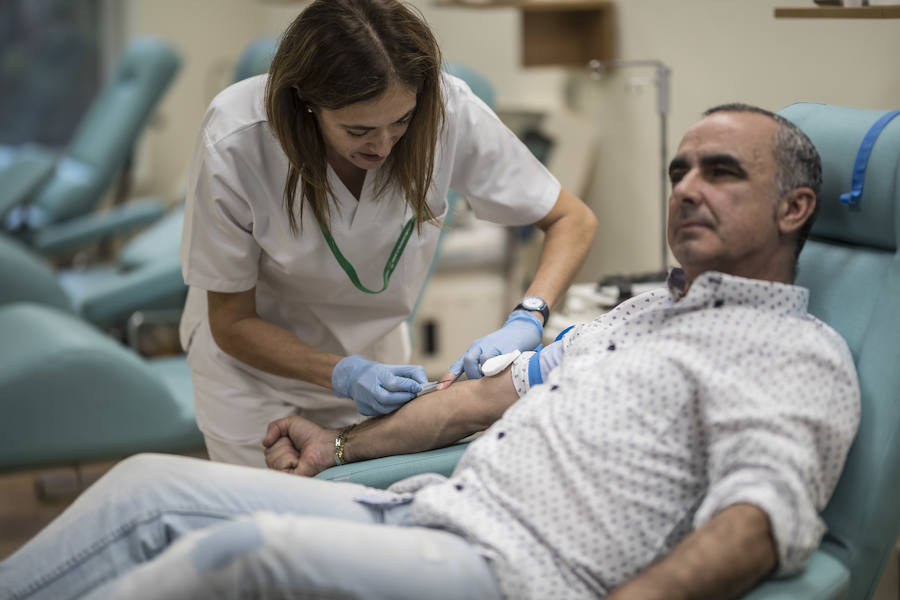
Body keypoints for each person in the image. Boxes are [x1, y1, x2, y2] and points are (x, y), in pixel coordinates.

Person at [0, 104, 860, 600]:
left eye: (721, 172)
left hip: (518, 570)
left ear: (795, 209)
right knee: (150, 486)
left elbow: (758, 518)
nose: (686, 190)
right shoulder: (635, 317)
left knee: (242, 557)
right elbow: (475, 401)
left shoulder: (792, 353)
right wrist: (338, 446)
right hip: (429, 509)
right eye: (678, 172)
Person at [178, 0, 597, 467]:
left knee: (362, 502)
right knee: (269, 504)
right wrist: (344, 373)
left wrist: (529, 316)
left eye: (401, 121)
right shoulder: (238, 137)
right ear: (305, 100)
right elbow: (232, 322)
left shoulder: (447, 110)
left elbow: (571, 219)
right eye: (358, 129)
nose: (382, 146)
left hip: (377, 359)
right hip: (254, 373)